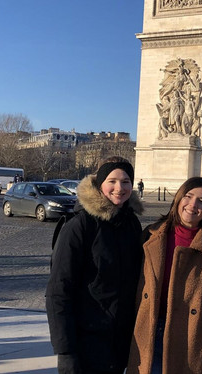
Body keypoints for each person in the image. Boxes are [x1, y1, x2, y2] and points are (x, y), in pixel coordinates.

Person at [46, 157, 144, 374]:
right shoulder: (79, 226)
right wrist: (65, 352)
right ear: (100, 184)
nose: (119, 188)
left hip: (118, 344)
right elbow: (58, 292)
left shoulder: (131, 223)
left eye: (126, 181)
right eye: (112, 181)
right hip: (85, 345)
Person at [128, 177, 202, 374]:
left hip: (187, 343)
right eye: (188, 196)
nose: (193, 205)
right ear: (178, 199)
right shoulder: (149, 237)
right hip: (146, 336)